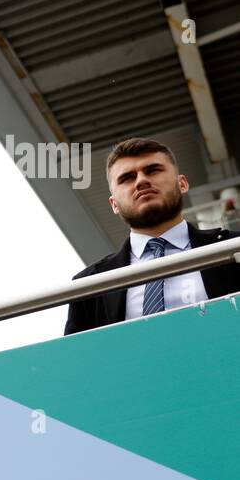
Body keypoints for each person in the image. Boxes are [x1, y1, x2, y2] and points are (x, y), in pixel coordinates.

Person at [65, 137, 240, 334]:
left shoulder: (234, 248)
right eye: (127, 178)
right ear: (114, 204)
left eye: (153, 170)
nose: (141, 181)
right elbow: (81, 359)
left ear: (182, 184)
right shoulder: (90, 284)